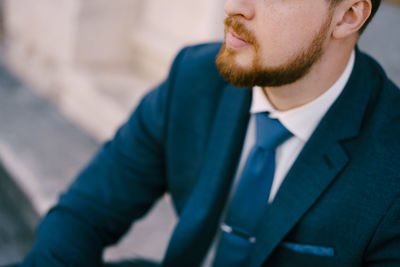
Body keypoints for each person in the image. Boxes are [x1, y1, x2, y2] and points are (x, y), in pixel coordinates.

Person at [22, 0, 400, 266]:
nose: (233, 6)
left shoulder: (391, 162)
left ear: (348, 15)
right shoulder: (194, 78)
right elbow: (84, 212)